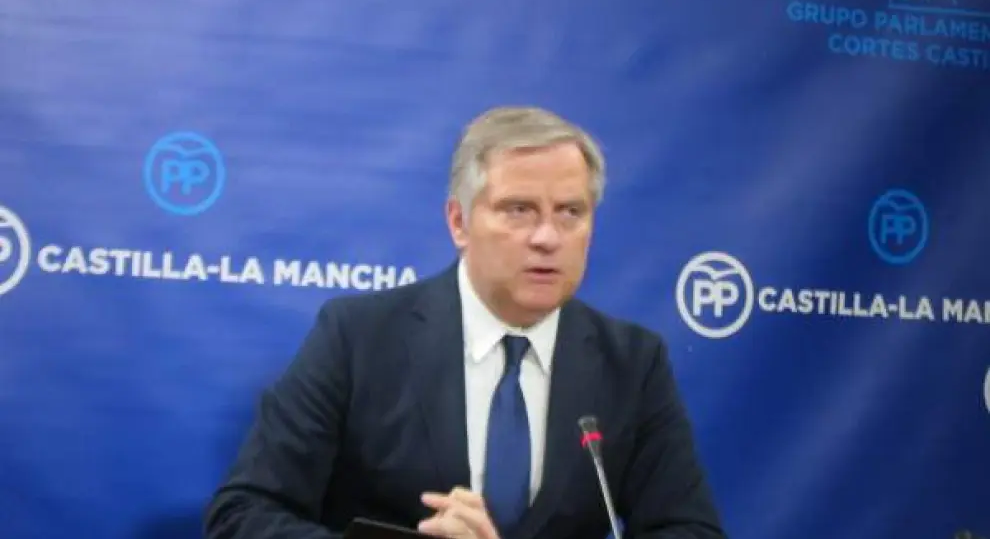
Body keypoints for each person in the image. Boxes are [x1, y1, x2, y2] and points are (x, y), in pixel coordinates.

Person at [203, 106, 727, 539]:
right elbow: (242, 515)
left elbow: (690, 530)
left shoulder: (632, 363)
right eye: (519, 210)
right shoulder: (359, 336)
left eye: (570, 212)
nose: (547, 237)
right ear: (459, 221)